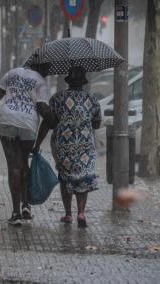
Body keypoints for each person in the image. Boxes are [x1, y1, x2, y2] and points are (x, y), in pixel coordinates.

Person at [33, 66, 102, 228]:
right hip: (85, 145)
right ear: (84, 82)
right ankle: (81, 212)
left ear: (68, 82)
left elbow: (48, 123)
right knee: (83, 176)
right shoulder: (92, 100)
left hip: (63, 144)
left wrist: (36, 145)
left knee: (65, 177)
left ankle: (68, 214)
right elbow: (97, 124)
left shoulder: (58, 98)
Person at [0, 64, 55, 226]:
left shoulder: (11, 73)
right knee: (23, 164)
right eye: (47, 70)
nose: (47, 74)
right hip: (28, 125)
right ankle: (26, 206)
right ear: (41, 68)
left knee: (14, 167)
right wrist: (54, 119)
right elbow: (41, 108)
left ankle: (16, 213)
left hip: (7, 122)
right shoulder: (40, 82)